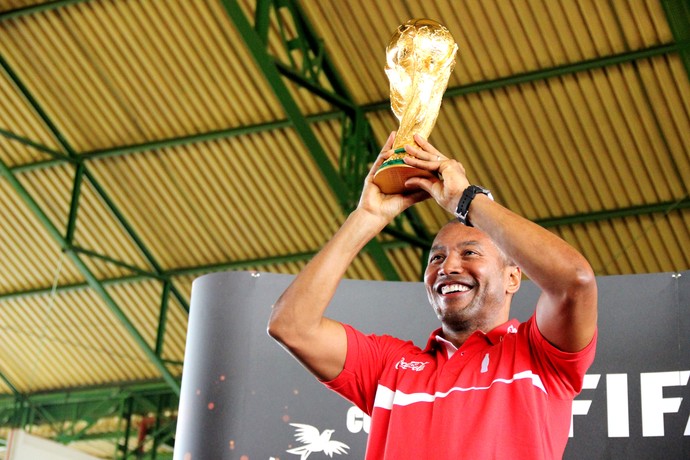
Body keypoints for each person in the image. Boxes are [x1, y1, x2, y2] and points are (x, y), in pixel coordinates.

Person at [268, 132, 598, 459]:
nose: (447, 266)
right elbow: (292, 326)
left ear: (513, 277)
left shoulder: (539, 354)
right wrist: (366, 218)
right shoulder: (390, 366)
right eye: (436, 257)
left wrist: (466, 200)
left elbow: (575, 281)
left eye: (469, 253)